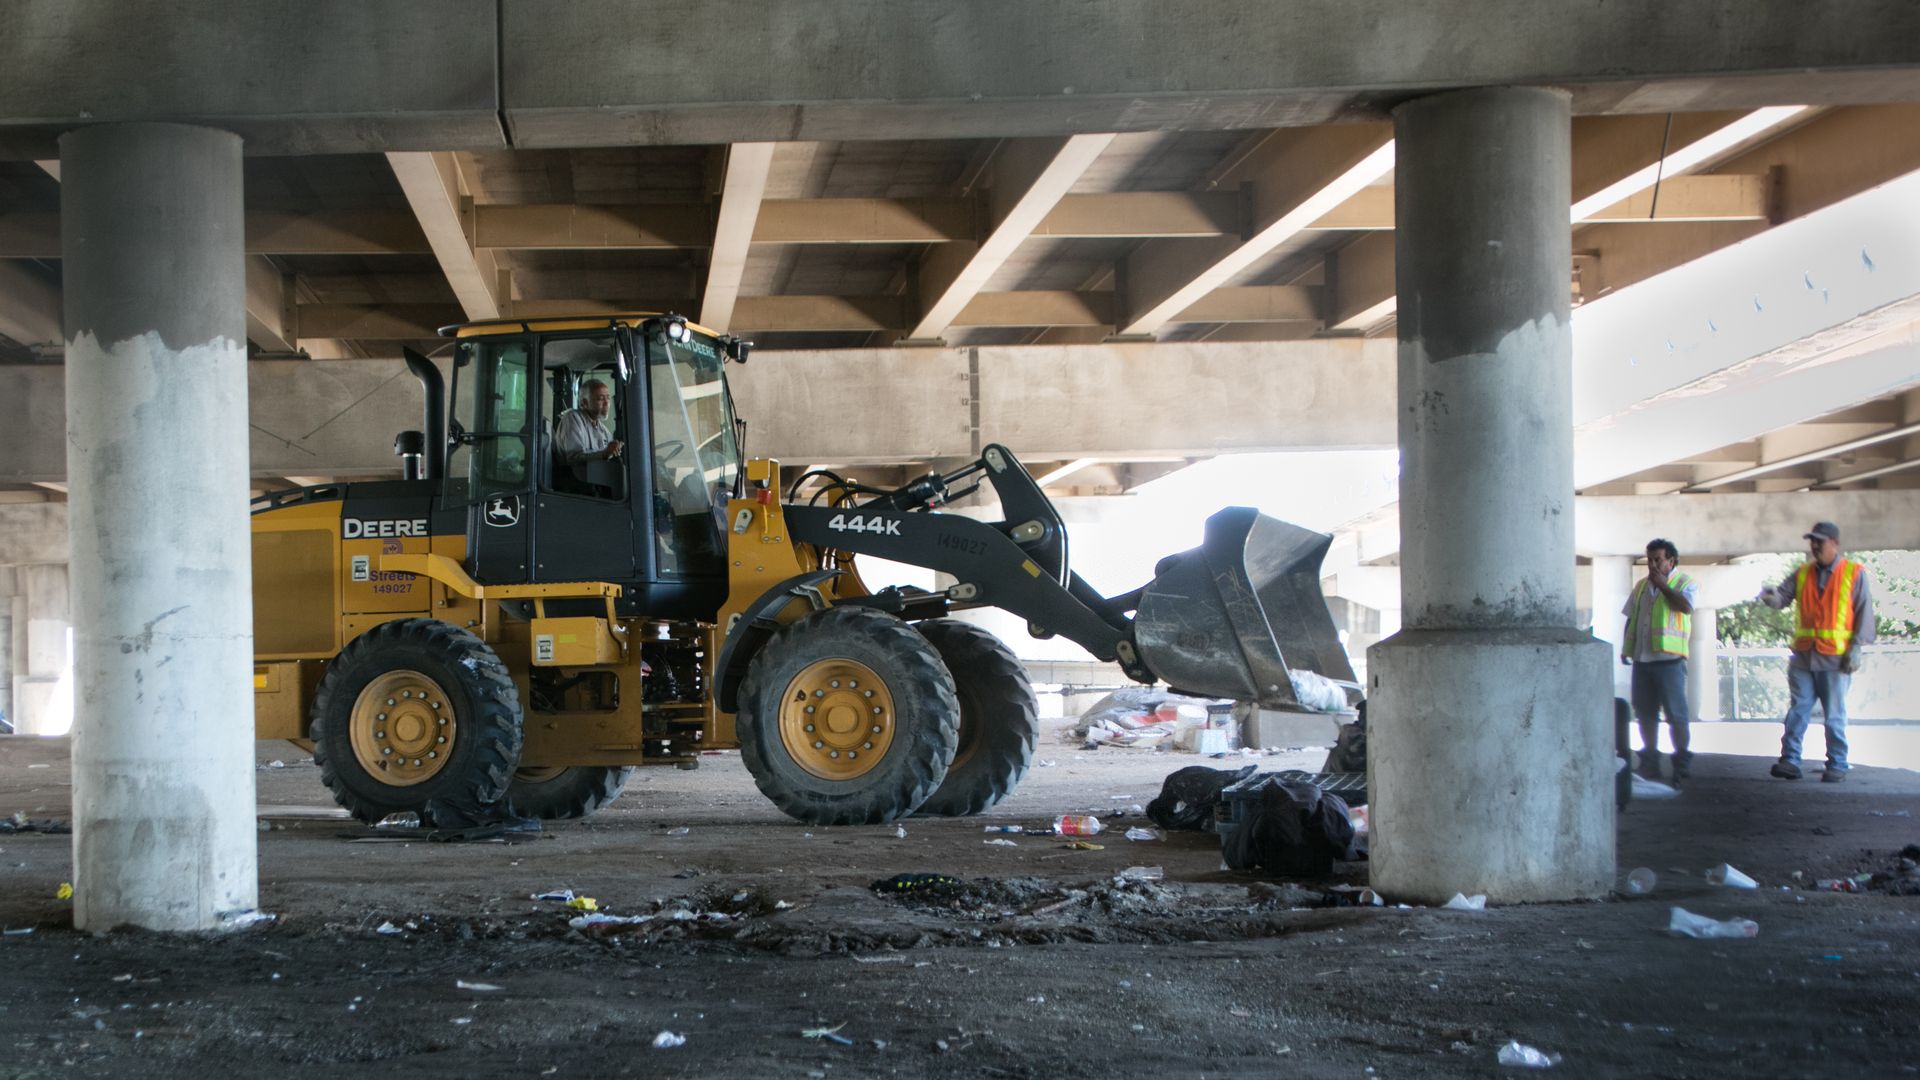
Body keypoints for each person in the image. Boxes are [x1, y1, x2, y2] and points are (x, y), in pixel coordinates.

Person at [1756, 521, 1875, 782]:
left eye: (1820, 541)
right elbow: (1782, 598)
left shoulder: (1854, 573)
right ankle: (1790, 760)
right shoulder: (1803, 573)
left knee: (1834, 714)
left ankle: (1837, 764)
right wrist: (1768, 595)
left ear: (1835, 544)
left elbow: (1865, 611)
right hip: (1804, 655)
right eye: (1813, 541)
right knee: (1798, 709)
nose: (1815, 546)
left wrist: (1857, 647)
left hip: (1835, 657)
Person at [1621, 538, 1698, 780]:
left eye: (1658, 560)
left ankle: (1681, 761)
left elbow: (1686, 607)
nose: (1653, 565)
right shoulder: (1642, 586)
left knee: (1676, 714)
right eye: (1650, 560)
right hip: (1643, 660)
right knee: (1644, 713)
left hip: (1669, 660)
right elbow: (1632, 617)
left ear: (1670, 561)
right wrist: (1627, 648)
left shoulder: (1686, 583)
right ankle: (1650, 761)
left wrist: (1664, 587)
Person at [554, 379, 623, 465]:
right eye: (600, 399)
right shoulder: (572, 419)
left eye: (608, 398)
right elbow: (573, 459)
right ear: (584, 403)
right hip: (574, 477)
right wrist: (605, 454)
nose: (606, 403)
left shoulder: (604, 431)